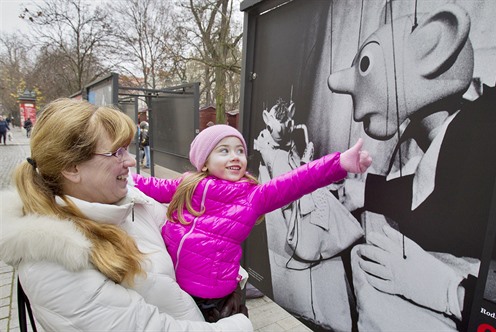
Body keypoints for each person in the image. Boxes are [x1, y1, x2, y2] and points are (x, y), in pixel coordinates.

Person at [0, 98, 252, 331]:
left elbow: (192, 243)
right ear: (71, 168)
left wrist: (230, 281)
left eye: (127, 149)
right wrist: (238, 325)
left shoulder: (131, 202)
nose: (131, 161)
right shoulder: (52, 261)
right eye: (116, 152)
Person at [327, 4, 496, 330]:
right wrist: (364, 190)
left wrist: (448, 292)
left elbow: (448, 213)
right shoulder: (464, 127)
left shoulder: (486, 131)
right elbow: (439, 187)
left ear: (437, 44)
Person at [132, 124, 372, 322]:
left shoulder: (252, 197)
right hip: (173, 287)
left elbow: (296, 181)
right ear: (204, 162)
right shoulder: (187, 185)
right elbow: (148, 185)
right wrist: (119, 173)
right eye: (224, 151)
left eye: (239, 151)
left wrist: (338, 164)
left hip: (210, 300)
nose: (235, 156)